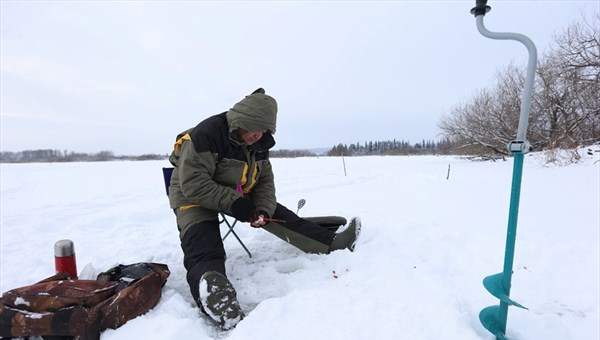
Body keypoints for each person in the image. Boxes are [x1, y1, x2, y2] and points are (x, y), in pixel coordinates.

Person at [167, 88, 360, 330]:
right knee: (203, 244)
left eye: (264, 131)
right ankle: (214, 294)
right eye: (254, 128)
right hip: (192, 194)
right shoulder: (207, 134)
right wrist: (237, 204)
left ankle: (331, 243)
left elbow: (265, 183)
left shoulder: (259, 144)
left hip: (235, 191)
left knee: (280, 216)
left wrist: (263, 210)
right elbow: (194, 183)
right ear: (240, 122)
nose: (258, 135)